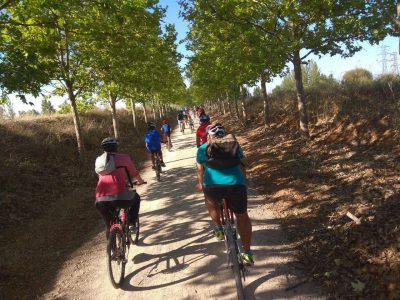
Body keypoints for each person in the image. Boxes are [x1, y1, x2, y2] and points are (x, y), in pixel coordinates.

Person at [195, 124, 254, 266]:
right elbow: (241, 166)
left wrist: (200, 183)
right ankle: (247, 253)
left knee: (209, 200)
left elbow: (200, 169)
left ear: (209, 135)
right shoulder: (234, 145)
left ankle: (218, 229)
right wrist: (244, 182)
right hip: (235, 185)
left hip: (213, 187)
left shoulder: (202, 148)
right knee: (242, 216)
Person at [95, 137, 146, 239]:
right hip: (119, 196)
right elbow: (134, 173)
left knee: (109, 226)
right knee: (136, 198)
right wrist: (140, 181)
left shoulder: (99, 160)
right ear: (116, 147)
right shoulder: (124, 158)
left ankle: (112, 251)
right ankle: (131, 223)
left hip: (100, 199)